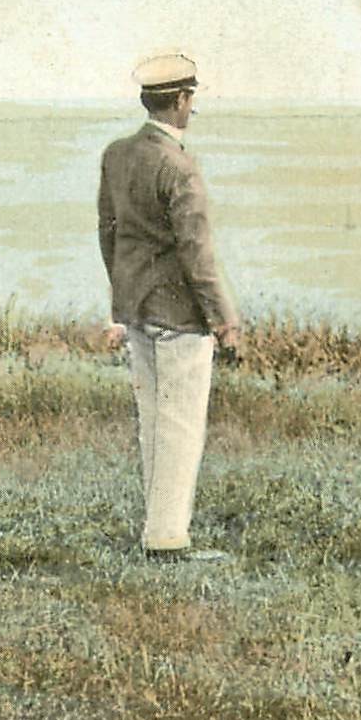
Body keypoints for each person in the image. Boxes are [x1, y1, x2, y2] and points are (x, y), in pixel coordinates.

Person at [97, 53, 241, 562]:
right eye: (190, 99)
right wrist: (225, 320)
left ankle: (157, 529)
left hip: (136, 308)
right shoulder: (179, 165)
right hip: (179, 315)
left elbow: (108, 235)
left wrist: (121, 301)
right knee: (179, 426)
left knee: (152, 421)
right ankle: (166, 537)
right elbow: (197, 255)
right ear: (181, 101)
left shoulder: (117, 154)